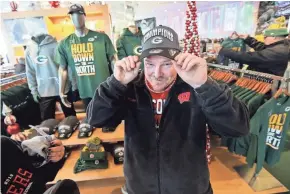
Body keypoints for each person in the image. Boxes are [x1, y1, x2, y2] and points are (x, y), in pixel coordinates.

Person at [87, 26, 250, 194]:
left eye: (166, 64)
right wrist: (115, 83)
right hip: (140, 187)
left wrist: (204, 85)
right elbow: (97, 119)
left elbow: (238, 128)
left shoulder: (196, 86)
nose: (157, 74)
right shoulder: (131, 87)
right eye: (150, 64)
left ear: (178, 60)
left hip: (190, 188)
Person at [217, 28, 289, 76]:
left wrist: (223, 50)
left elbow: (249, 57)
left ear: (274, 37)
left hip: (267, 85)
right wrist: (248, 39)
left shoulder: (278, 52)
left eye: (265, 37)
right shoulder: (281, 46)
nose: (264, 39)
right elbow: (262, 47)